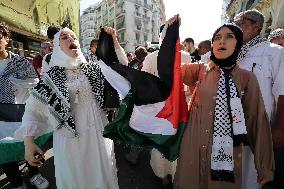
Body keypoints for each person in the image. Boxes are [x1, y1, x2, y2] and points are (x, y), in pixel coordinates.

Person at [14, 26, 129, 189]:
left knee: (102, 176)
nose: (71, 39)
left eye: (73, 37)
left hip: (99, 136)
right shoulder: (51, 78)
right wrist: (28, 142)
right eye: (64, 38)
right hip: (69, 142)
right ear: (57, 46)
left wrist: (114, 39)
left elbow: (122, 67)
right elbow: (33, 109)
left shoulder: (94, 69)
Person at [173, 21, 274, 189]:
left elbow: (257, 121)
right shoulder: (200, 70)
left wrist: (265, 167)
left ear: (238, 44)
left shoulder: (246, 78)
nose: (222, 41)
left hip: (226, 158)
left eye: (229, 37)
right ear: (212, 44)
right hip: (192, 150)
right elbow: (171, 71)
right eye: (217, 38)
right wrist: (169, 34)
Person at [234, 9, 284, 189]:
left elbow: (282, 92)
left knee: (252, 176)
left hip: (260, 126)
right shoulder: (233, 53)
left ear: (256, 27)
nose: (237, 28)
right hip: (232, 125)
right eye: (236, 25)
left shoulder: (275, 53)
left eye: (242, 25)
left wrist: (279, 128)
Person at [0, 23, 49, 189]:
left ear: (6, 39)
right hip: (0, 116)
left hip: (22, 110)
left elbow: (35, 85)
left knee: (27, 141)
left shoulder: (21, 62)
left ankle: (35, 173)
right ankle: (16, 182)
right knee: (5, 149)